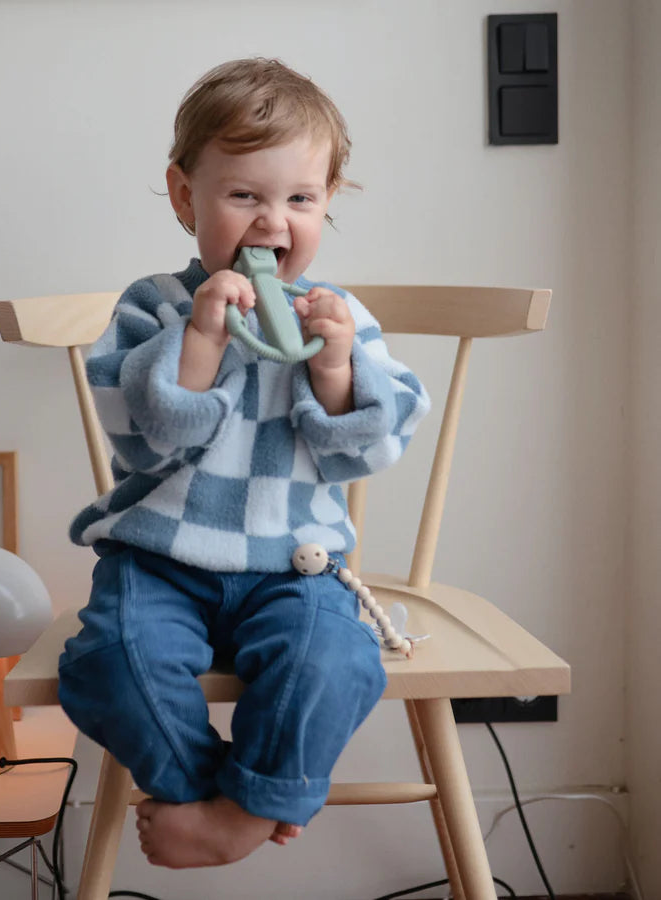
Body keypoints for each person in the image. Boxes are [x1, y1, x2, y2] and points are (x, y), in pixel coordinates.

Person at [57, 57, 430, 870]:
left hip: (294, 566)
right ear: (187, 197)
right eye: (244, 196)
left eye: (299, 198)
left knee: (334, 660)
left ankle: (248, 806)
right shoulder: (155, 305)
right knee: (108, 661)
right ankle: (199, 797)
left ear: (328, 201)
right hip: (159, 561)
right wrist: (199, 340)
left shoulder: (340, 318)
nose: (272, 222)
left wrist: (332, 370)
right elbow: (143, 434)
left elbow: (373, 450)